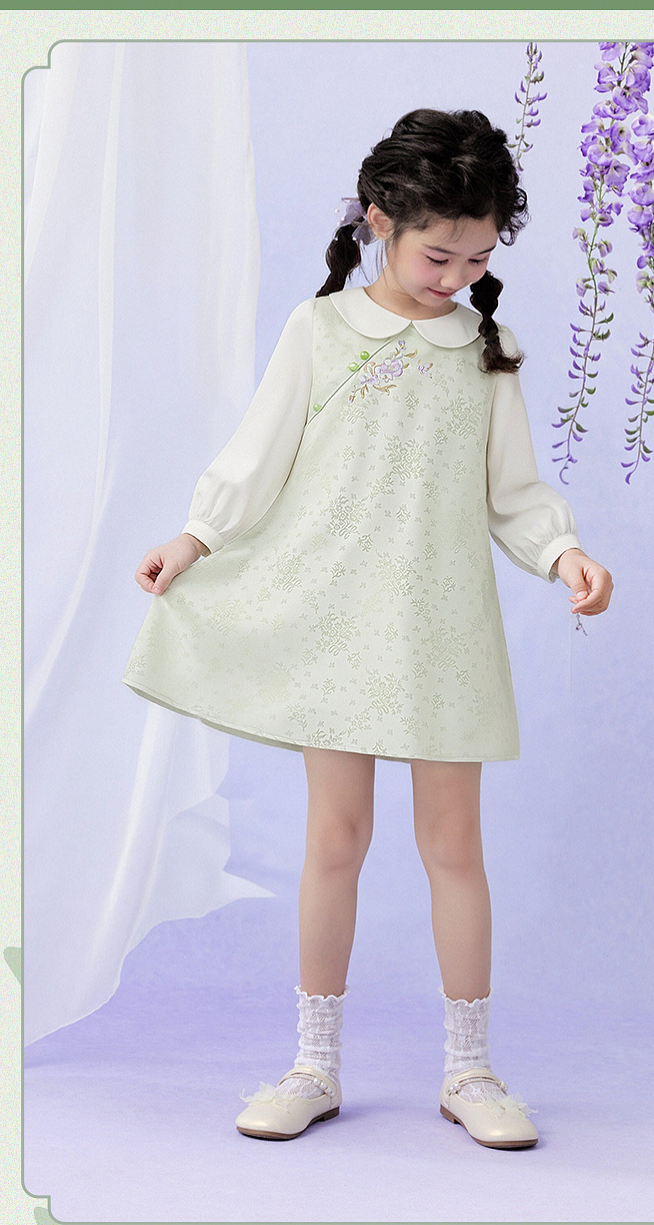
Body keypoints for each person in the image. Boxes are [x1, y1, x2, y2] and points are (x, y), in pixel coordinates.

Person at [123, 108, 613, 1150]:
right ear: (380, 220)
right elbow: (256, 458)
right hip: (334, 622)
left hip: (443, 631)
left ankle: (471, 1069)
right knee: (335, 841)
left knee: (455, 847)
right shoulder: (321, 330)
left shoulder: (489, 350)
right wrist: (196, 537)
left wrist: (563, 552)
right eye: (441, 255)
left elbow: (515, 494)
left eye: (480, 258)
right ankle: (314, 1063)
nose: (458, 276)